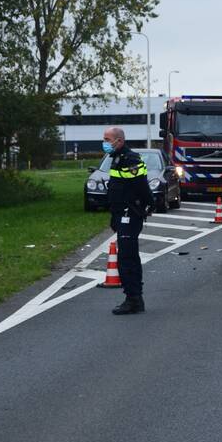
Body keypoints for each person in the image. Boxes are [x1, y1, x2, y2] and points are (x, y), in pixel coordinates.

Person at [102, 126, 152, 315]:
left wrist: (148, 205)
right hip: (120, 214)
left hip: (129, 214)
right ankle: (132, 297)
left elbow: (141, 187)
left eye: (107, 139)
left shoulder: (130, 159)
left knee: (127, 258)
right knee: (127, 256)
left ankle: (134, 299)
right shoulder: (116, 158)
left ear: (119, 141)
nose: (104, 143)